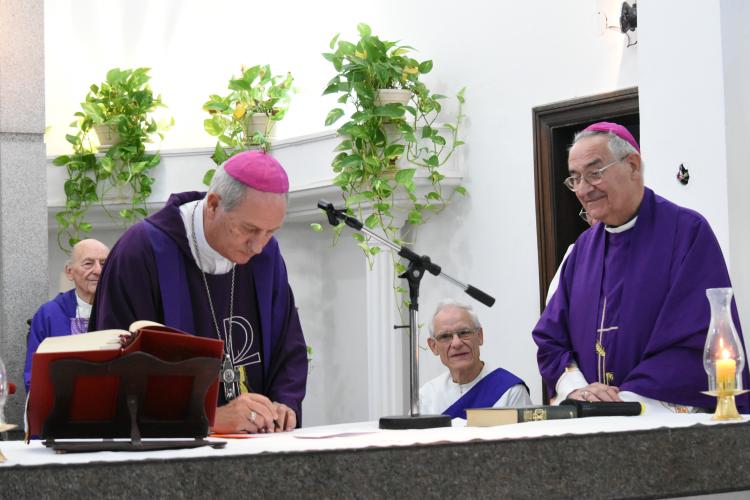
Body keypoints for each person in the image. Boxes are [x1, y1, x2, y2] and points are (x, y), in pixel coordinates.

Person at [533, 122, 749, 412]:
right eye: (575, 179)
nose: (584, 189)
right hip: (589, 421)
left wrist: (625, 402)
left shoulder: (686, 233)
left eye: (594, 173)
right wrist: (579, 391)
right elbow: (551, 338)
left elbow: (695, 338)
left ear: (633, 165)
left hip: (657, 422)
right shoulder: (582, 251)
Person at [90, 151, 307, 433]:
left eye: (270, 232)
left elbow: (288, 344)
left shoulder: (266, 256)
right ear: (214, 205)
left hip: (258, 444)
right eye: (248, 229)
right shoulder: (143, 251)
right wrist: (210, 418)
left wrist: (282, 405)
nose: (258, 246)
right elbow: (116, 373)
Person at [420, 299, 532, 419]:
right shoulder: (426, 396)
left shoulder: (510, 391)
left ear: (480, 336)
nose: (456, 343)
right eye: (445, 336)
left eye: (464, 332)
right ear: (433, 346)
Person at [24, 239, 109, 391]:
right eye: (88, 263)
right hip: (61, 404)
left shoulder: (119, 310)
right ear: (70, 272)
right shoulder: (49, 314)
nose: (98, 270)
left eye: (104, 264)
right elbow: (34, 376)